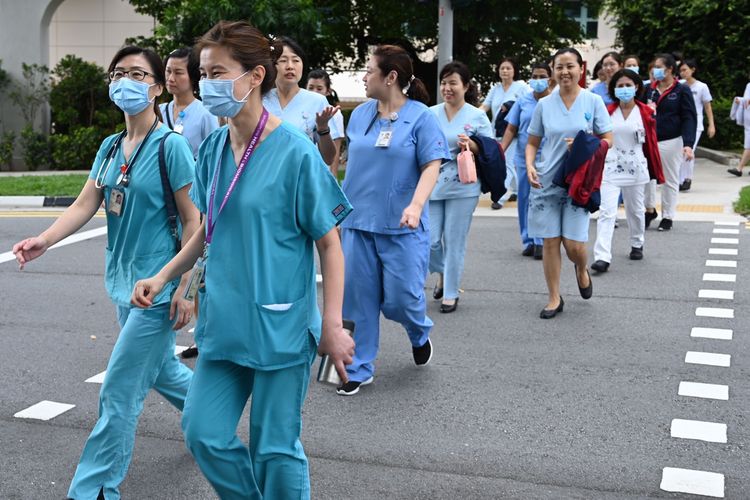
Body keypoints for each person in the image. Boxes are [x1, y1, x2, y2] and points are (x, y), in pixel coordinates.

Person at [131, 21, 355, 499]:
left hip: (281, 325)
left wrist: (333, 325)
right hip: (225, 325)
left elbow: (330, 244)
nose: (205, 82)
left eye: (217, 72)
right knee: (203, 432)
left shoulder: (295, 152)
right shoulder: (212, 147)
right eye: (203, 72)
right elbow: (210, 229)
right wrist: (167, 275)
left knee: (275, 449)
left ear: (255, 76)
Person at [12, 46, 198, 499]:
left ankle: (95, 489)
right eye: (119, 72)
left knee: (118, 392)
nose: (125, 80)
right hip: (123, 284)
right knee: (161, 374)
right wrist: (45, 240)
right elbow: (84, 204)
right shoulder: (111, 146)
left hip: (158, 287)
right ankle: (210, 413)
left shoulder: (170, 147)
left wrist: (187, 287)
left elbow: (196, 222)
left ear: (156, 86)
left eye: (137, 73)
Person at [337, 44, 450, 396]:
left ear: (391, 77)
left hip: (403, 226)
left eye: (369, 70)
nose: (364, 77)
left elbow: (432, 164)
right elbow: (348, 166)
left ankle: (418, 332)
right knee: (355, 301)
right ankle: (355, 368)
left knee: (401, 300)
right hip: (358, 224)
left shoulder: (422, 117)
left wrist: (416, 205)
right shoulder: (359, 115)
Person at [526, 47, 613, 319]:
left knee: (574, 245)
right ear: (553, 72)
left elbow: (608, 139)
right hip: (547, 181)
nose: (565, 71)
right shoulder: (544, 105)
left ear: (580, 69)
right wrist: (530, 164)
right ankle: (554, 297)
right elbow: (532, 142)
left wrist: (587, 145)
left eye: (570, 66)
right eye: (559, 66)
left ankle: (581, 268)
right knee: (550, 242)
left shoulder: (592, 101)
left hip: (578, 183)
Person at [428, 61, 493, 313]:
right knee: (431, 240)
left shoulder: (476, 115)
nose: (447, 88)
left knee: (455, 241)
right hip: (432, 184)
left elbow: (490, 150)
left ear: (465, 86)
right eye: (444, 83)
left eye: (453, 83)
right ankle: (443, 274)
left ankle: (451, 292)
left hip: (464, 186)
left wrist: (473, 145)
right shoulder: (430, 113)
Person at [591, 69, 663, 272]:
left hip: (636, 168)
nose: (624, 89)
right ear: (613, 89)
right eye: (620, 86)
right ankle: (602, 256)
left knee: (635, 211)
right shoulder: (607, 111)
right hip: (610, 168)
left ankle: (637, 243)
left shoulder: (646, 112)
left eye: (627, 85)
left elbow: (651, 143)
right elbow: (598, 136)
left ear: (637, 87)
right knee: (606, 212)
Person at [501, 62, 552, 260]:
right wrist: (499, 152)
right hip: (523, 159)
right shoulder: (523, 101)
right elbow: (511, 129)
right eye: (535, 76)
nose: (538, 80)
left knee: (541, 200)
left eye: (542, 76)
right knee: (524, 200)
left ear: (550, 79)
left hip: (547, 159)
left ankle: (540, 240)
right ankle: (528, 240)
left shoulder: (554, 101)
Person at [263, 37, 341, 165]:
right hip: (264, 176)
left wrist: (323, 129)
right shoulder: (260, 100)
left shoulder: (317, 101)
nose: (290, 66)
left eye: (296, 60)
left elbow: (329, 159)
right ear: (271, 65)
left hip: (300, 178)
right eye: (283, 60)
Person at [643, 53, 697, 232]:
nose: (655, 70)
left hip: (671, 140)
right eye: (654, 67)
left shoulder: (681, 90)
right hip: (649, 140)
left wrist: (688, 143)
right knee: (647, 178)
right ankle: (649, 210)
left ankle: (668, 216)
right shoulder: (648, 89)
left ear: (670, 69)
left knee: (670, 179)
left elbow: (689, 117)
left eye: (659, 67)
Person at [481, 57, 527, 209]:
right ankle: (519, 190)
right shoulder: (495, 88)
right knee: (508, 162)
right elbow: (485, 106)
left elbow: (529, 103)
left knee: (507, 163)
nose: (505, 71)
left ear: (514, 71)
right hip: (497, 131)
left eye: (508, 68)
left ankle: (499, 197)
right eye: (502, 68)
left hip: (514, 132)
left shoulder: (521, 86)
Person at [160, 47, 219, 158]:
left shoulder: (206, 113)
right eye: (168, 71)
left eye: (178, 72)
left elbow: (213, 154)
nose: (171, 78)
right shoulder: (159, 111)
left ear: (192, 76)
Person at [678, 59, 715, 191]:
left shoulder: (701, 87)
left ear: (693, 70)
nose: (682, 73)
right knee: (680, 152)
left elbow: (707, 107)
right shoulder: (679, 85)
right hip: (681, 123)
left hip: (696, 124)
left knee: (689, 151)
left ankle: (687, 178)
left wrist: (711, 125)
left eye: (685, 70)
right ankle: (680, 179)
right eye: (680, 70)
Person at [307, 68, 345, 177]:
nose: (314, 92)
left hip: (322, 172)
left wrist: (333, 175)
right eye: (311, 88)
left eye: (319, 88)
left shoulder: (335, 114)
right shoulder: (300, 110)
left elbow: (336, 148)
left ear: (328, 91)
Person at [728, 78, 750, 176]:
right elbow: (747, 100)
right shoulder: (749, 85)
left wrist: (742, 101)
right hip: (748, 119)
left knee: (748, 146)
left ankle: (739, 168)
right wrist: (741, 100)